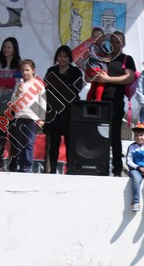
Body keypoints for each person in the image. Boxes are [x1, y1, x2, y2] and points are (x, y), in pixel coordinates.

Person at [94, 30, 136, 176]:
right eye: (112, 41)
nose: (114, 44)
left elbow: (129, 78)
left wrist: (108, 79)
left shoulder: (127, 59)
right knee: (99, 136)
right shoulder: (102, 58)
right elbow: (90, 76)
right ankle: (99, 167)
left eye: (117, 41)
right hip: (100, 102)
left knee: (115, 136)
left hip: (116, 102)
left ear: (123, 44)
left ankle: (117, 169)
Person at [44, 45, 83, 174]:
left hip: (70, 112)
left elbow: (76, 89)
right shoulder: (51, 70)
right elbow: (47, 89)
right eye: (60, 56)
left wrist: (60, 88)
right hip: (54, 111)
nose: (62, 59)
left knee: (70, 142)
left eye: (65, 56)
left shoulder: (76, 72)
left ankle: (70, 168)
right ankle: (52, 169)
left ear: (69, 58)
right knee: (54, 142)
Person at [7, 59, 46, 173]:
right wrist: (17, 93)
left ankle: (28, 165)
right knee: (20, 143)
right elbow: (13, 102)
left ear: (33, 70)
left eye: (27, 70)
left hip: (32, 118)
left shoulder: (38, 84)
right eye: (23, 70)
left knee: (29, 142)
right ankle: (21, 165)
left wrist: (41, 118)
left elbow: (43, 101)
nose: (25, 72)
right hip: (19, 116)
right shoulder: (19, 84)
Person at [0, 37, 22, 170]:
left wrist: (5, 83)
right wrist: (7, 82)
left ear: (14, 49)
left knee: (14, 135)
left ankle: (14, 164)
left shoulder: (19, 65)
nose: (6, 49)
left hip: (13, 104)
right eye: (4, 47)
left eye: (9, 47)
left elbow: (18, 82)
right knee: (0, 134)